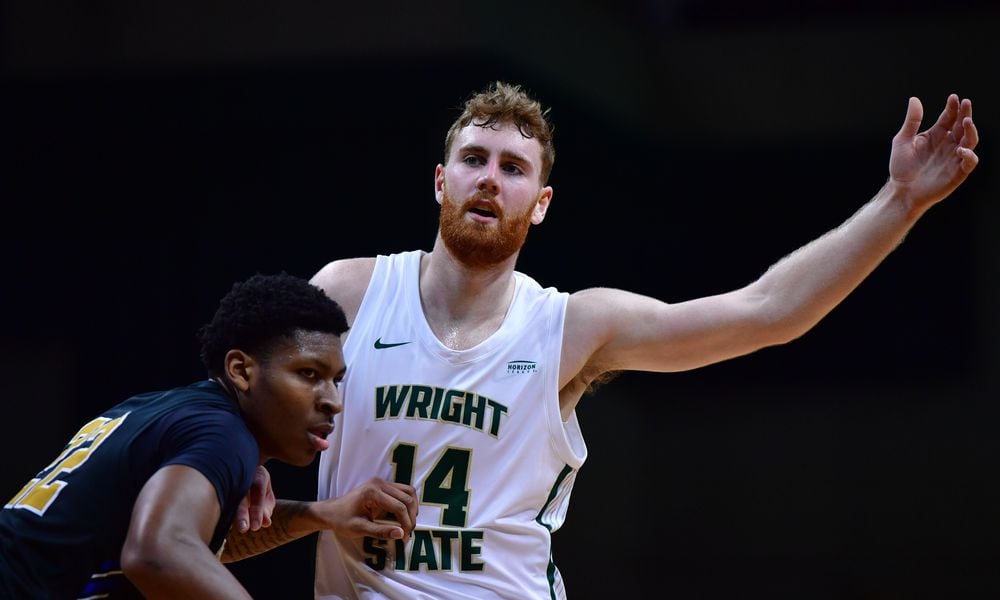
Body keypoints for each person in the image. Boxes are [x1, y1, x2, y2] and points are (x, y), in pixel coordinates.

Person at [248, 81, 978, 598]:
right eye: (473, 160)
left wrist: (900, 202)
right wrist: (242, 450)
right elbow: (241, 382)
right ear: (441, 180)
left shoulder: (571, 327)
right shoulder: (349, 291)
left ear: (540, 204)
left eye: (513, 168)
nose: (489, 180)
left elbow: (767, 312)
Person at [0, 272, 417, 599]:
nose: (332, 401)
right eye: (308, 375)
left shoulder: (172, 410)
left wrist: (320, 515)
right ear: (240, 370)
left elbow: (189, 544)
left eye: (335, 380)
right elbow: (158, 552)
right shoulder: (223, 435)